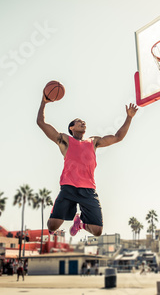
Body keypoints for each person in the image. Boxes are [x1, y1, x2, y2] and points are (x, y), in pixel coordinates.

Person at [37, 93, 138, 238]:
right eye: (79, 122)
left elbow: (117, 137)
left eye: (84, 122)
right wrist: (43, 102)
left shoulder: (94, 141)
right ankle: (57, 229)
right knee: (52, 225)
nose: (83, 122)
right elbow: (41, 122)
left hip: (88, 190)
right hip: (68, 188)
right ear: (71, 127)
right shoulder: (64, 140)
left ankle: (81, 223)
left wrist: (129, 117)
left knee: (97, 231)